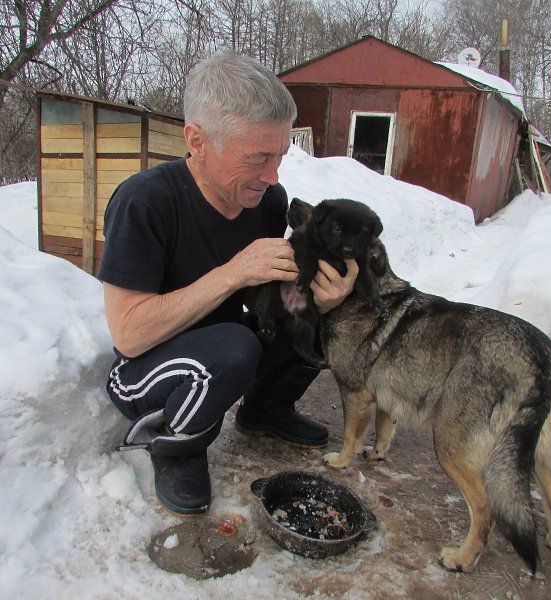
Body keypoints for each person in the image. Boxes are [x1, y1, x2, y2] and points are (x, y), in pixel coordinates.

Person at [97, 52, 359, 517]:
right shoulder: (145, 202)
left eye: (280, 155)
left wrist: (323, 299)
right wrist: (233, 272)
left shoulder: (266, 199)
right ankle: (177, 444)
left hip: (221, 350)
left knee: (325, 314)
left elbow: (266, 299)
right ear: (197, 141)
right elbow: (129, 335)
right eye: (258, 157)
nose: (273, 175)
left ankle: (266, 409)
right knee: (235, 346)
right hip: (144, 374)